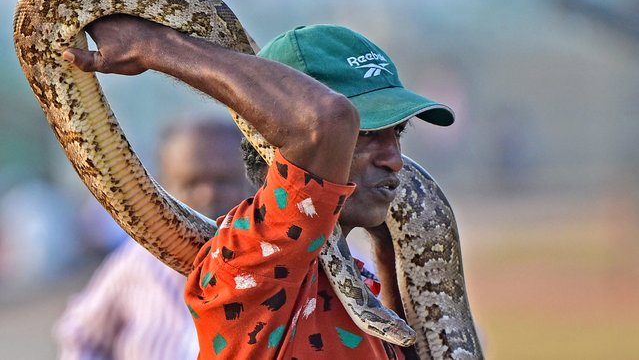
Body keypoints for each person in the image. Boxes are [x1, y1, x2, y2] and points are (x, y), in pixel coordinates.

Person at [62, 18, 455, 359]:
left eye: (397, 133)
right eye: (365, 133)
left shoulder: (360, 281)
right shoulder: (252, 261)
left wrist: (390, 252)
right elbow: (329, 118)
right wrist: (154, 46)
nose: (396, 160)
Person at [54, 118, 249, 360]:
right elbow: (80, 335)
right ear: (162, 187)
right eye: (191, 182)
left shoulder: (273, 263)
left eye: (223, 181)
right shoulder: (136, 264)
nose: (208, 194)